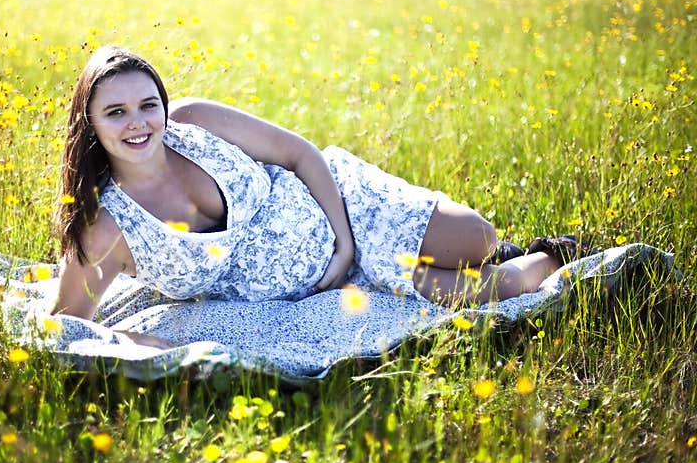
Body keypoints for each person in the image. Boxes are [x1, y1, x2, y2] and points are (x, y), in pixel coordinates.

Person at [50, 45, 596, 330]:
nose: (139, 122)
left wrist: (345, 243)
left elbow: (298, 153)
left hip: (342, 211)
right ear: (90, 124)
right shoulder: (105, 226)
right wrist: (135, 344)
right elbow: (67, 322)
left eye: (149, 105)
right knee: (494, 289)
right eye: (115, 112)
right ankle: (542, 261)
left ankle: (487, 251)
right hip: (314, 291)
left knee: (477, 238)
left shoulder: (195, 124)